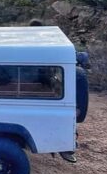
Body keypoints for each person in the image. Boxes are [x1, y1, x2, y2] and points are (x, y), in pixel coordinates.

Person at [27, 19, 76, 163]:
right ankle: (65, 142)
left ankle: (61, 142)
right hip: (46, 80)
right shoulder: (47, 42)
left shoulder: (32, 43)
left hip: (38, 79)